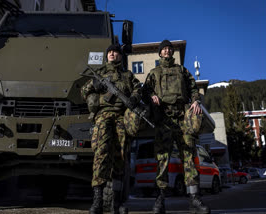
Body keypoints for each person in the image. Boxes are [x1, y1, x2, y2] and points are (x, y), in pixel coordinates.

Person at [142, 40, 210, 214]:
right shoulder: (154, 73)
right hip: (163, 119)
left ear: (172, 52)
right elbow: (144, 91)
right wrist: (151, 96)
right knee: (162, 159)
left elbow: (193, 87)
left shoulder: (182, 70)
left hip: (182, 118)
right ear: (160, 53)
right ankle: (160, 199)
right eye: (163, 49)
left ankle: (194, 199)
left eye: (169, 49)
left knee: (188, 156)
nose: (166, 51)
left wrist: (195, 100)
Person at [81, 44, 141, 214]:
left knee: (121, 157)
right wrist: (94, 84)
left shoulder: (127, 75)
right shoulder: (99, 72)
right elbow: (83, 92)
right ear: (107, 56)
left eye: (116, 52)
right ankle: (97, 200)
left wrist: (134, 99)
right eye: (110, 52)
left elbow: (138, 89)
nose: (113, 54)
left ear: (121, 56)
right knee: (101, 154)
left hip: (121, 117)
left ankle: (117, 202)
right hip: (103, 116)